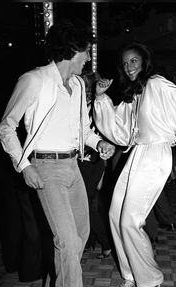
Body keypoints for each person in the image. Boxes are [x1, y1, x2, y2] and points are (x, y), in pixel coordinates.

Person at [0, 19, 115, 287]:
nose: (89, 56)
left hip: (72, 167)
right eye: (86, 50)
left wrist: (98, 143)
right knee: (65, 240)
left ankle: (53, 286)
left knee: (81, 236)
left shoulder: (78, 85)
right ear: (73, 49)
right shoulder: (33, 80)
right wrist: (23, 165)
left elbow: (84, 130)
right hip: (44, 168)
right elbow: (7, 126)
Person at [93, 42, 176, 287]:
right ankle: (131, 271)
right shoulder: (135, 93)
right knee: (114, 213)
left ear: (144, 61)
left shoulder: (156, 82)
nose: (129, 66)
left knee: (131, 219)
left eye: (133, 61)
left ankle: (150, 277)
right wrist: (100, 98)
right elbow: (119, 129)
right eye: (125, 62)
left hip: (156, 154)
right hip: (138, 153)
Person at [78, 70, 112, 258]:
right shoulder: (85, 105)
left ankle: (105, 243)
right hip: (89, 161)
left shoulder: (94, 107)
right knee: (86, 204)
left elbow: (102, 136)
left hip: (90, 161)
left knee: (85, 205)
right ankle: (92, 242)